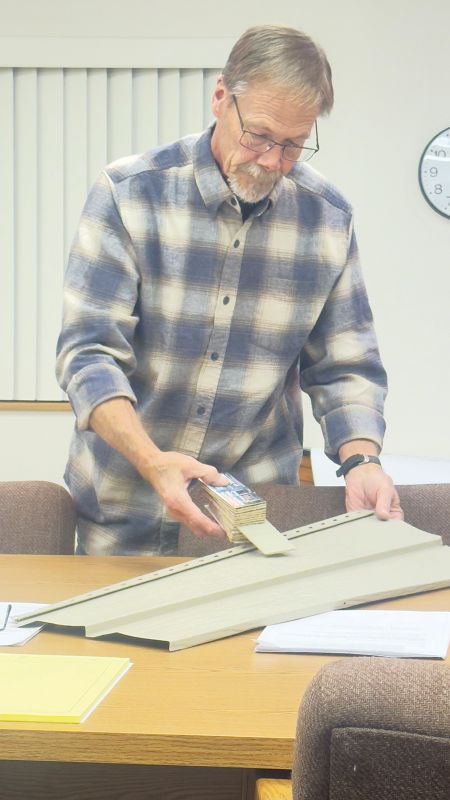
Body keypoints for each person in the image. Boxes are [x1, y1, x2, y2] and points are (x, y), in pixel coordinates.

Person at [56, 24, 402, 556]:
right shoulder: (129, 195)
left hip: (249, 515)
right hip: (122, 506)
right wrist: (154, 462)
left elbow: (346, 366)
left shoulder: (327, 220)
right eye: (259, 135)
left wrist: (362, 461)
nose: (271, 161)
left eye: (292, 146)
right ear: (221, 98)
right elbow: (89, 355)